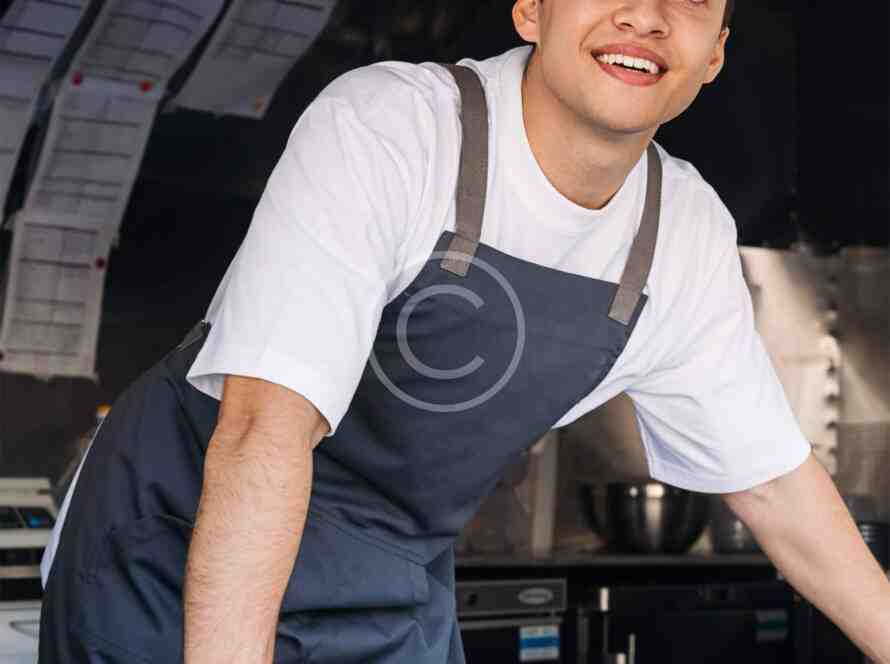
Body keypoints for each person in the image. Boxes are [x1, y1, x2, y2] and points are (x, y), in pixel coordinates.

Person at [38, 1, 890, 662]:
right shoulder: (394, 128)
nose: (645, 15)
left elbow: (778, 489)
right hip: (178, 561)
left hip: (384, 586)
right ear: (532, 10)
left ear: (714, 56)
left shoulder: (684, 230)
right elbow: (265, 430)